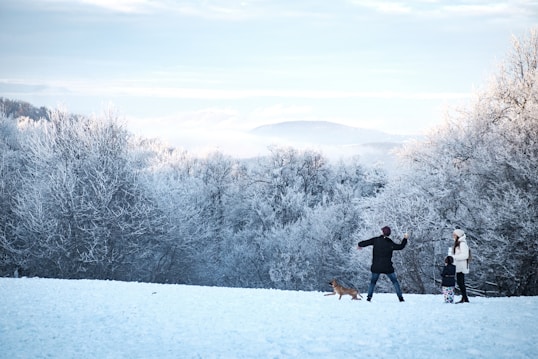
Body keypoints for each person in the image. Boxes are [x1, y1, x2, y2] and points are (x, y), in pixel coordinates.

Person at [357, 226, 409, 302]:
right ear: (389, 234)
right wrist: (405, 238)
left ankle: (369, 297)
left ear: (382, 232)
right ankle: (400, 298)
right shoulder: (390, 243)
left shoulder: (376, 240)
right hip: (387, 267)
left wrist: (359, 245)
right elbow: (401, 247)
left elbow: (364, 243)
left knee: (373, 282)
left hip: (376, 266)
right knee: (395, 282)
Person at [450, 228, 470, 303]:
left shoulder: (462, 244)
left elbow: (465, 255)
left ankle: (465, 298)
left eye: (454, 235)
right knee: (460, 282)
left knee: (461, 282)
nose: (453, 236)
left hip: (461, 266)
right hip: (458, 266)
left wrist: (454, 257)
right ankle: (464, 298)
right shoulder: (458, 243)